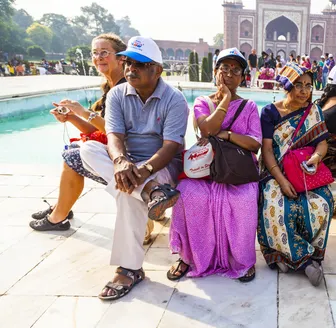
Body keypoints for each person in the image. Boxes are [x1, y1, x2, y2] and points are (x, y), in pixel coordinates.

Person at [79, 36, 189, 301]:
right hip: (129, 164)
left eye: (139, 64)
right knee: (88, 150)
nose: (130, 69)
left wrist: (144, 170)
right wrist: (119, 161)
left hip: (161, 165)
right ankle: (151, 192)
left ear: (157, 70)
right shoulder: (118, 94)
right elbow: (114, 136)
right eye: (127, 62)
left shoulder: (174, 99)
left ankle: (129, 268)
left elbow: (171, 146)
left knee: (127, 194)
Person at [168, 48, 261, 282]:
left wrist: (227, 135)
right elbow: (207, 129)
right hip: (206, 169)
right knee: (188, 193)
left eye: (236, 70)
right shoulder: (202, 102)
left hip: (237, 171)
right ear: (216, 72)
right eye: (224, 68)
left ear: (242, 77)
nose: (229, 74)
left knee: (243, 199)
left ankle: (242, 259)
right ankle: (188, 257)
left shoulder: (249, 106)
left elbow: (254, 143)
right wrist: (225, 100)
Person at [29, 33, 130, 232]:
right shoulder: (110, 87)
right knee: (74, 150)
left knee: (72, 157)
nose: (98, 57)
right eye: (94, 53)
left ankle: (58, 216)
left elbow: (116, 132)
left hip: (126, 157)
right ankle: (60, 208)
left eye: (104, 52)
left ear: (121, 58)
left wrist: (83, 112)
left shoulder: (124, 89)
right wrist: (72, 117)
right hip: (114, 150)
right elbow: (99, 130)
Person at [257, 63, 333, 286]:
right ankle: (305, 261)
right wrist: (281, 180)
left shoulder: (313, 111)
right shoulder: (270, 113)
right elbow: (267, 150)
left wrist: (315, 159)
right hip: (274, 171)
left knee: (323, 202)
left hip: (304, 171)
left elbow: (322, 145)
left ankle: (290, 257)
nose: (304, 91)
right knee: (275, 204)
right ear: (287, 85)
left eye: (308, 86)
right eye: (298, 85)